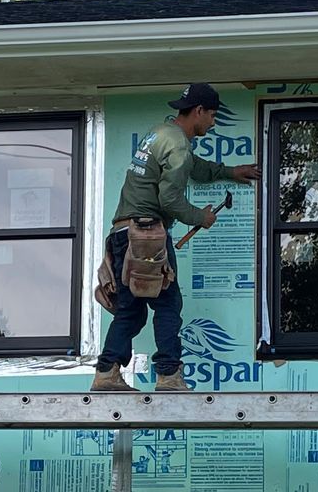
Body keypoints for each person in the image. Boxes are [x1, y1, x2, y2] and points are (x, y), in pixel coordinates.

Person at [93, 83, 260, 390]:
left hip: (122, 232)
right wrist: (201, 217)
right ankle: (169, 375)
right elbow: (170, 198)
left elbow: (193, 167)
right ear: (198, 111)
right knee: (167, 305)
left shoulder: (160, 134)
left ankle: (107, 372)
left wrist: (230, 171)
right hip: (146, 236)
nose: (212, 123)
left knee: (131, 310)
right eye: (211, 115)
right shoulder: (179, 146)